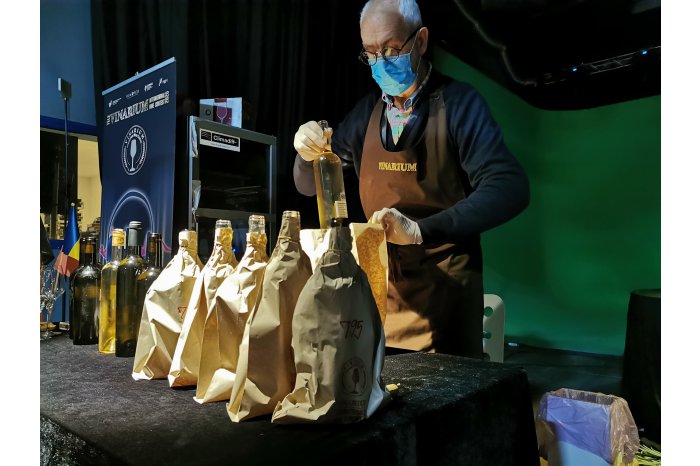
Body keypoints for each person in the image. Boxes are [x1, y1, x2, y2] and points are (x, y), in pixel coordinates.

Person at [292, 0, 529, 358]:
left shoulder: (459, 104)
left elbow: (510, 186)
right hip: (380, 292)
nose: (381, 62)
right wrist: (306, 155)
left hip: (444, 296)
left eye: (390, 49)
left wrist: (421, 230)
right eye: (371, 53)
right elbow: (310, 185)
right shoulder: (367, 114)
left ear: (420, 41)